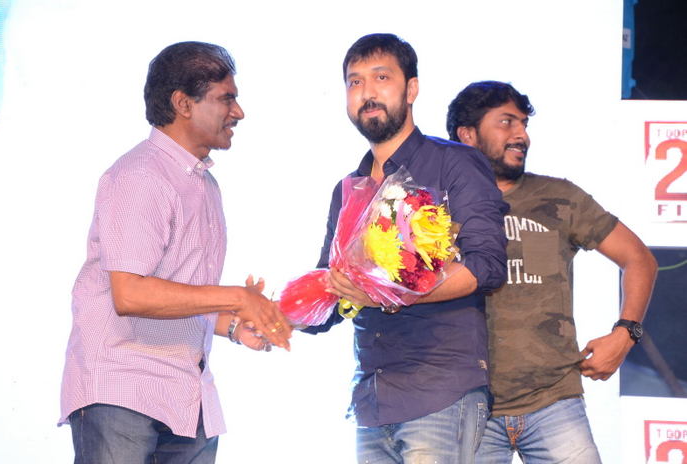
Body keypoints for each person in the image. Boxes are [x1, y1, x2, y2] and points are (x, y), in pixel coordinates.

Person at [59, 41, 291, 464]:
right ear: (183, 104)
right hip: (123, 392)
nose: (238, 112)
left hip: (187, 396)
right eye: (226, 99)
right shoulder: (140, 175)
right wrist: (238, 297)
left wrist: (233, 326)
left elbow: (174, 294)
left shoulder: (204, 185)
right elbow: (131, 294)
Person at [304, 34, 508, 464]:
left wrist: (389, 293)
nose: (367, 92)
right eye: (355, 82)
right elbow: (331, 287)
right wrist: (273, 311)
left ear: (411, 89)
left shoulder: (454, 162)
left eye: (381, 78)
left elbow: (486, 266)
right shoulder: (349, 189)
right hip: (373, 402)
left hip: (440, 393)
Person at [446, 81, 657, 463]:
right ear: (467, 134)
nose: (521, 135)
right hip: (465, 407)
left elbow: (639, 258)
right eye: (506, 122)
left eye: (523, 124)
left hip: (554, 401)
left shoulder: (559, 197)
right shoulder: (435, 206)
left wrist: (626, 334)